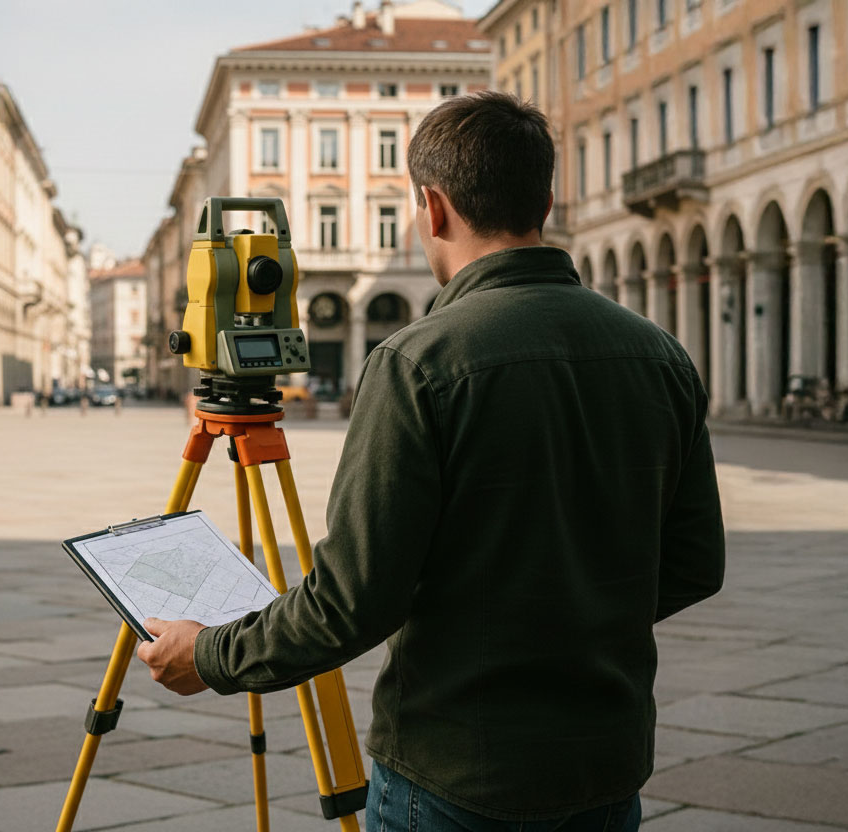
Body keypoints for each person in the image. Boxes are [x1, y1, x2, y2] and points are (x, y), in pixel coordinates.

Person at [137, 92, 724, 831]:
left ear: (432, 207)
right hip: (605, 766)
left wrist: (213, 655)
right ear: (544, 199)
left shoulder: (417, 362)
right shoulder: (660, 354)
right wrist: (575, 615)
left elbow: (351, 601)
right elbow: (698, 562)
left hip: (455, 769)